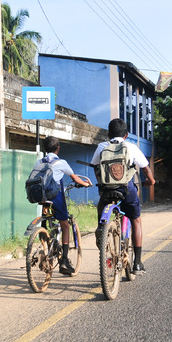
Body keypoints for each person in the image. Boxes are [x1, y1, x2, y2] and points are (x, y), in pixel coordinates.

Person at [91, 118, 155, 275]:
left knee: (102, 211)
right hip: (127, 191)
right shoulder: (131, 147)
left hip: (107, 191)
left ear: (108, 135)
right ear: (126, 135)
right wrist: (151, 181)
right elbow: (146, 169)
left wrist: (102, 183)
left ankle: (102, 230)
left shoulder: (101, 147)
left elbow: (95, 167)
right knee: (136, 220)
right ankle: (138, 263)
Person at [35, 136, 90, 275]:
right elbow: (75, 178)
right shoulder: (62, 162)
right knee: (65, 225)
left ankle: (45, 248)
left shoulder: (39, 162)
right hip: (56, 198)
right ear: (58, 148)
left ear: (44, 149)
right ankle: (64, 261)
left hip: (42, 198)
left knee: (45, 223)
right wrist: (85, 184)